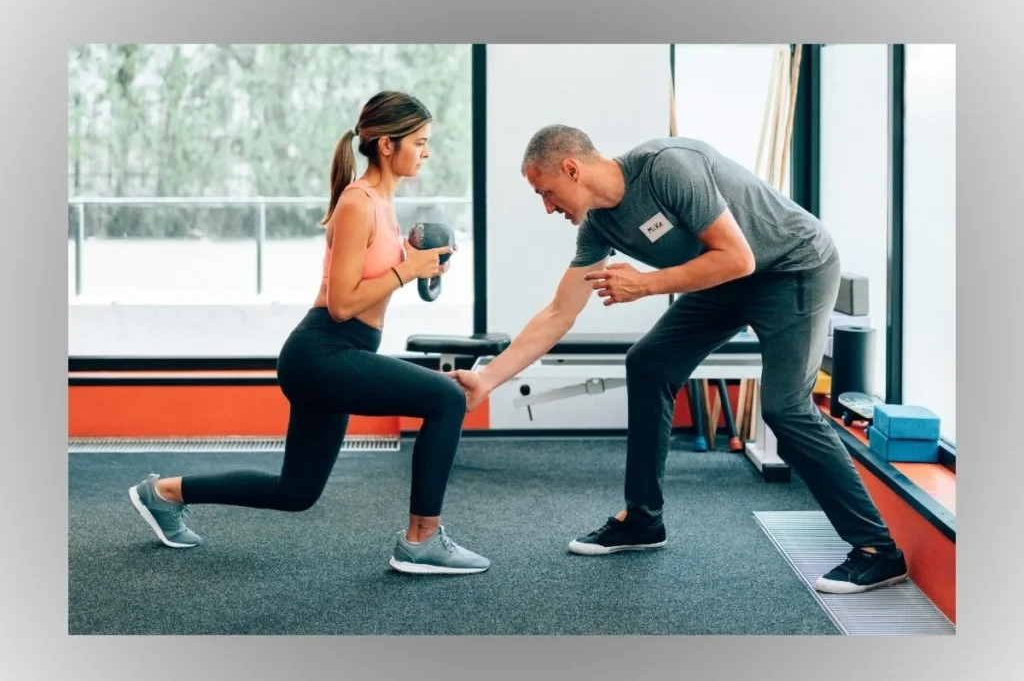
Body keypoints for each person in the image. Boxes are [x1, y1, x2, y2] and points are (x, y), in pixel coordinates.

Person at [451, 125, 908, 594]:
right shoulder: (598, 226)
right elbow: (558, 312)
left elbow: (738, 257)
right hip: (727, 279)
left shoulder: (668, 167)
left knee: (784, 407)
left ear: (571, 168)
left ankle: (878, 551)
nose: (547, 207)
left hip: (793, 267)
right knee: (648, 363)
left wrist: (646, 284)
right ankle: (643, 520)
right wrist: (488, 378)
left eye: (546, 192)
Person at [128, 91, 490, 576]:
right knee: (445, 399)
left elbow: (368, 286)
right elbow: (341, 305)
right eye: (420, 142)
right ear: (387, 145)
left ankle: (164, 492)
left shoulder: (384, 203)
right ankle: (421, 540)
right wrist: (408, 271)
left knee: (296, 492)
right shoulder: (357, 203)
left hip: (342, 353)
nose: (427, 152)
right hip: (323, 351)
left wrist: (415, 262)